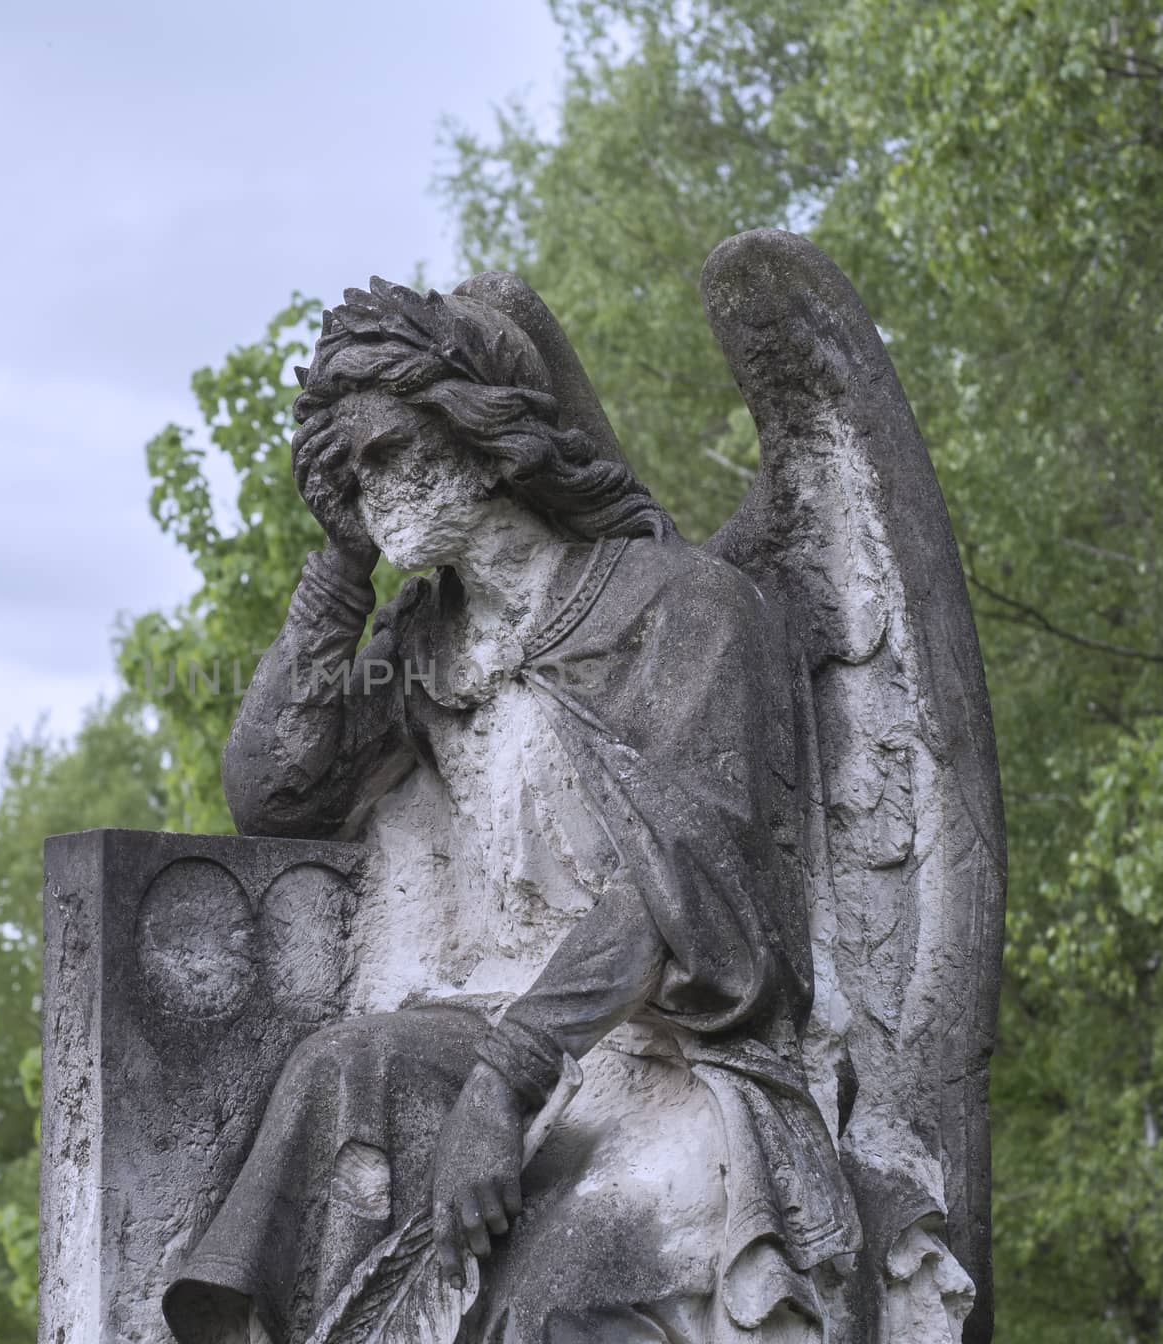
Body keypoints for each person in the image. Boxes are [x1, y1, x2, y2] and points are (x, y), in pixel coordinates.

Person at [163, 278, 861, 1344]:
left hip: (678, 1059)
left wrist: (507, 1077)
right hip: (494, 1022)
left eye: (388, 450)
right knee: (339, 1071)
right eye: (345, 472)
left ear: (490, 441)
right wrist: (341, 567)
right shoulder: (427, 640)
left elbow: (680, 890)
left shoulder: (683, 607)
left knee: (546, 1303)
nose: (370, 484)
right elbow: (275, 793)